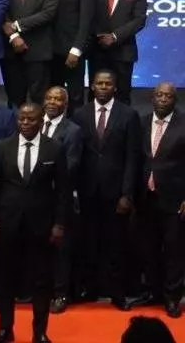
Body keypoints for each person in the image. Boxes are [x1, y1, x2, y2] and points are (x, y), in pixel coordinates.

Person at [0, 103, 69, 343]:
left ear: (41, 121)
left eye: (30, 119)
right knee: (5, 279)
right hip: (7, 223)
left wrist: (59, 224)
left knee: (41, 281)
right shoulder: (3, 146)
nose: (25, 123)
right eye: (21, 119)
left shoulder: (55, 148)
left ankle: (39, 332)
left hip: (42, 224)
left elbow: (63, 190)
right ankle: (5, 329)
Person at [75, 69, 142, 310]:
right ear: (92, 86)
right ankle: (90, 288)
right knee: (88, 243)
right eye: (99, 83)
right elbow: (76, 156)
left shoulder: (129, 114)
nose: (103, 87)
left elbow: (133, 157)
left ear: (115, 87)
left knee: (115, 245)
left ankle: (117, 293)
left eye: (107, 83)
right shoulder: (80, 114)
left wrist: (127, 194)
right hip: (87, 191)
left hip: (116, 193)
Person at [140, 82, 185, 319]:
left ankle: (173, 297)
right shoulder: (142, 121)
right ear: (152, 97)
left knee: (174, 250)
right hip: (146, 197)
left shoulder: (183, 123)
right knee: (149, 248)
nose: (163, 99)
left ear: (174, 100)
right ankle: (153, 292)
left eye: (168, 96)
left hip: (175, 199)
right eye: (159, 95)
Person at [0, 0, 60, 106]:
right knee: (14, 98)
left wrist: (16, 26)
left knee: (38, 99)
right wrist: (13, 36)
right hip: (12, 49)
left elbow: (48, 13)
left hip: (38, 50)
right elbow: (2, 9)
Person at [40, 86, 83, 313]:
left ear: (65, 104)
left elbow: (71, 166)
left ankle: (60, 294)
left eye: (58, 99)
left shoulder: (73, 131)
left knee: (60, 250)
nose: (52, 102)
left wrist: (38, 175)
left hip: (59, 198)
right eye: (49, 98)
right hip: (33, 199)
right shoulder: (33, 123)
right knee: (37, 248)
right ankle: (39, 291)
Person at [92, 0, 147, 104]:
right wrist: (99, 34)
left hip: (123, 51)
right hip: (98, 49)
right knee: (95, 95)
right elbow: (89, 15)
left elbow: (139, 20)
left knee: (122, 95)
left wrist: (115, 36)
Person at [49, 0, 97, 112]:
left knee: (75, 95)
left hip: (72, 51)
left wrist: (76, 50)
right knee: (52, 94)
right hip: (50, 49)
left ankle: (74, 127)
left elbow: (87, 19)